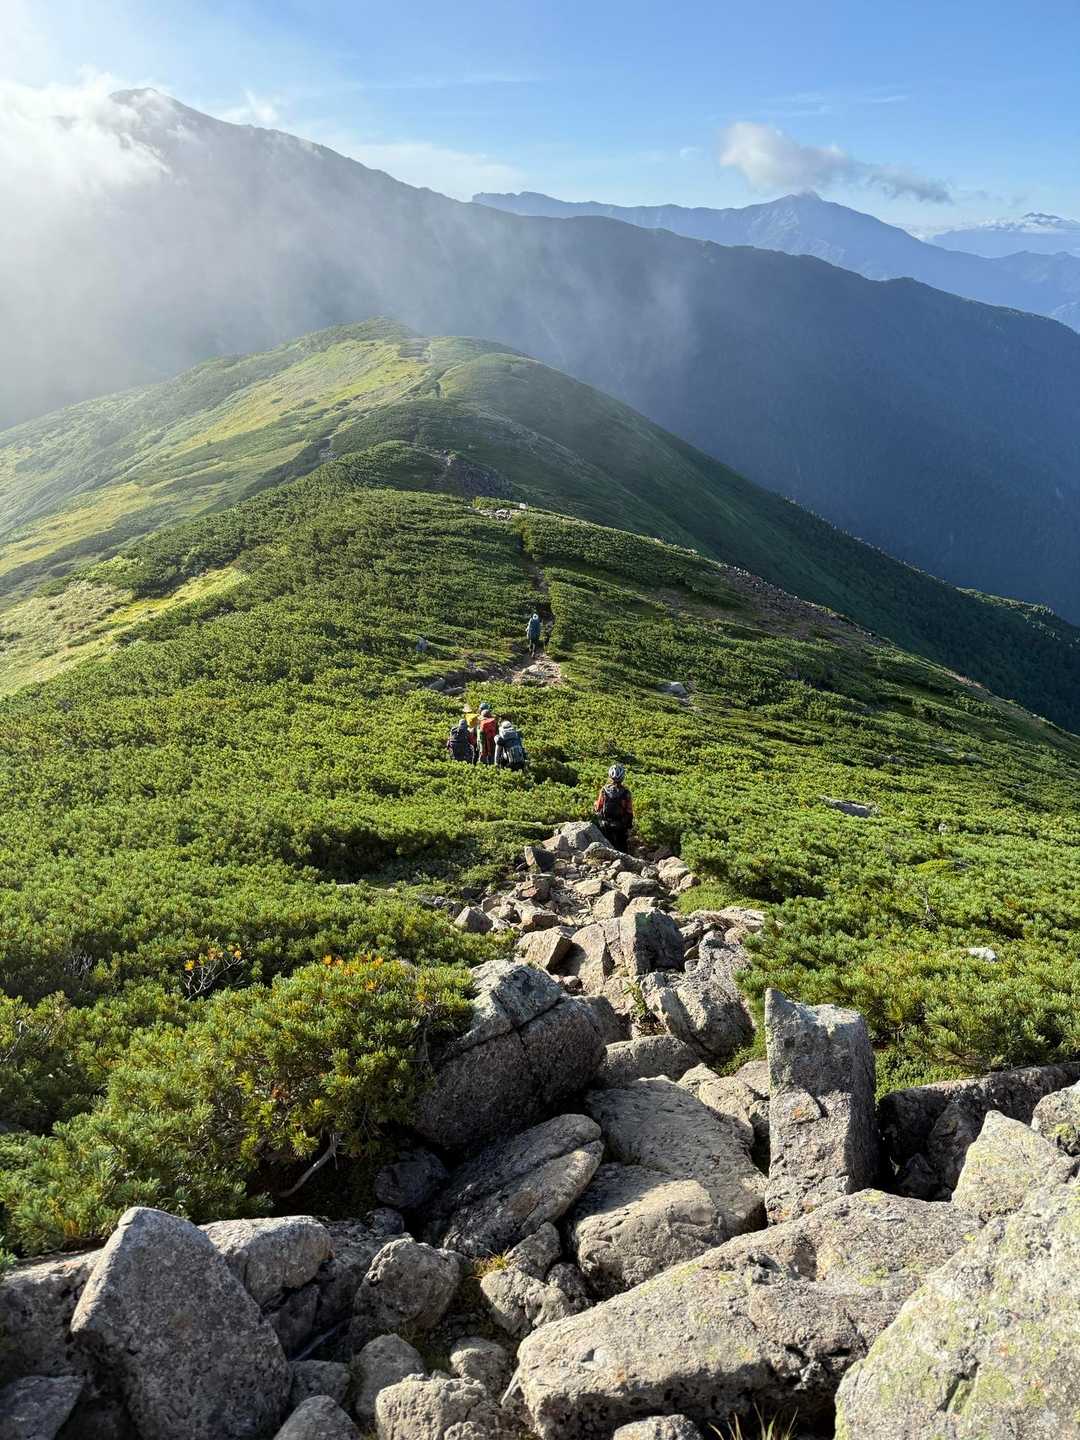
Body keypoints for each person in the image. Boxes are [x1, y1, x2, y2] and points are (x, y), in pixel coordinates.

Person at [595, 764, 634, 851]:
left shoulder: (604, 790)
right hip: (621, 825)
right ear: (623, 778)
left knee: (606, 847)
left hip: (606, 824)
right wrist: (629, 826)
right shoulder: (626, 792)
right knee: (622, 848)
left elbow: (598, 807)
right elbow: (629, 811)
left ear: (610, 776)